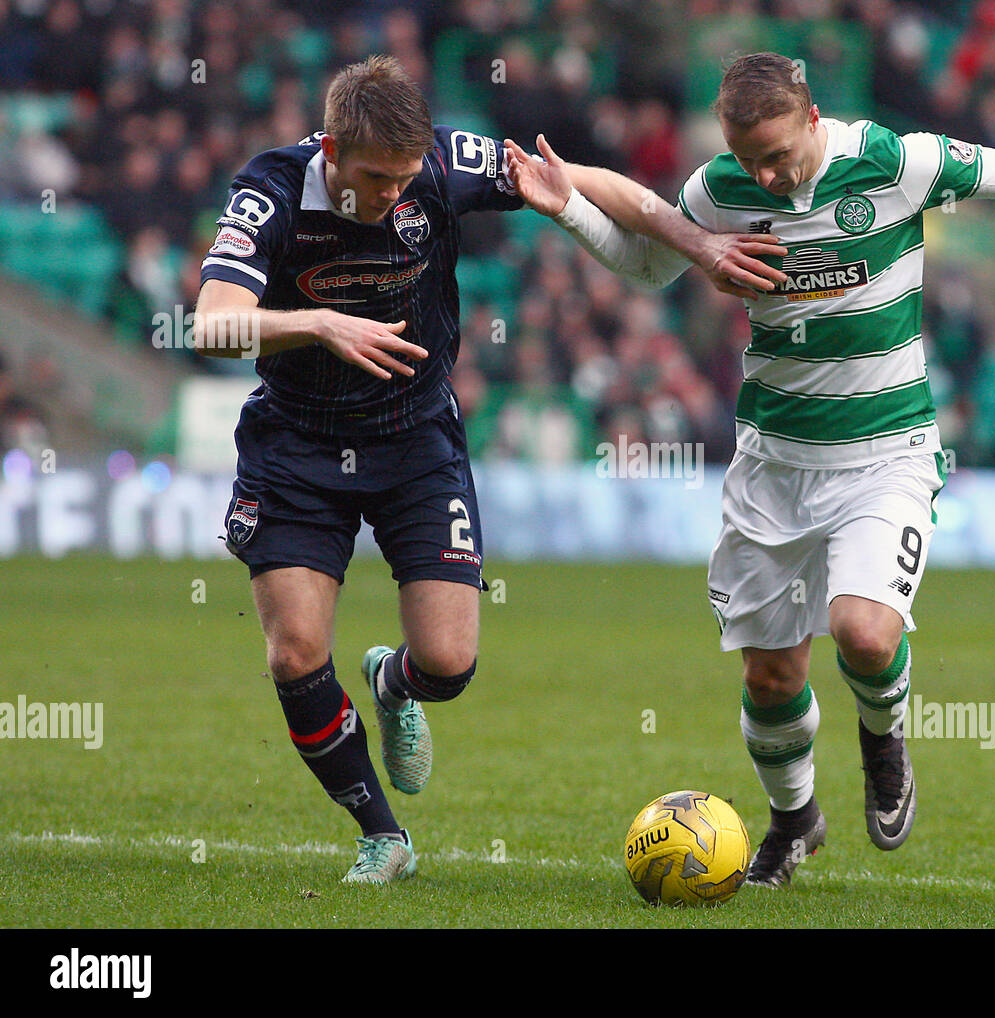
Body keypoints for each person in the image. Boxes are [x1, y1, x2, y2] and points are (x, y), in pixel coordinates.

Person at [506, 51, 995, 887]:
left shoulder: (893, 162)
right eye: (751, 162)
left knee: (861, 630)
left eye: (779, 156)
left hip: (885, 451)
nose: (769, 177)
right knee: (772, 674)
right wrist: (567, 209)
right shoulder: (718, 190)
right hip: (773, 460)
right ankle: (793, 822)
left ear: (813, 119)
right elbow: (648, 264)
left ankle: (884, 742)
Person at [192, 54, 783, 883]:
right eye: (376, 178)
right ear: (330, 146)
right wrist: (322, 325)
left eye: (406, 178)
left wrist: (700, 243)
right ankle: (382, 834)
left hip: (415, 441)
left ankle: (392, 682)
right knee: (293, 654)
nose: (395, 194)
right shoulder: (273, 191)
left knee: (449, 664)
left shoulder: (441, 162)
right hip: (296, 446)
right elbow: (211, 324)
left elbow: (586, 181)